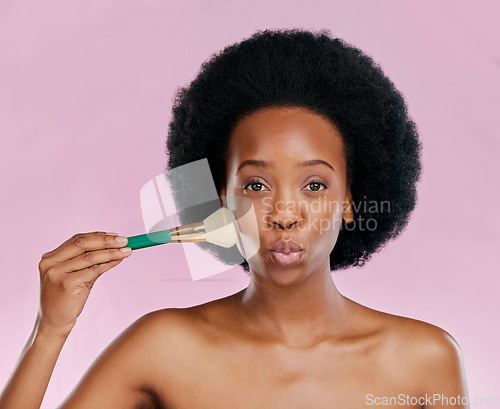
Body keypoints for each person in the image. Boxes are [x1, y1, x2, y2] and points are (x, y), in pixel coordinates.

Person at [0, 28, 469, 409]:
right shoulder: (165, 348)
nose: (284, 215)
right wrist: (49, 332)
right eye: (257, 185)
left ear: (350, 200)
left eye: (314, 185)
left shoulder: (423, 360)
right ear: (220, 200)